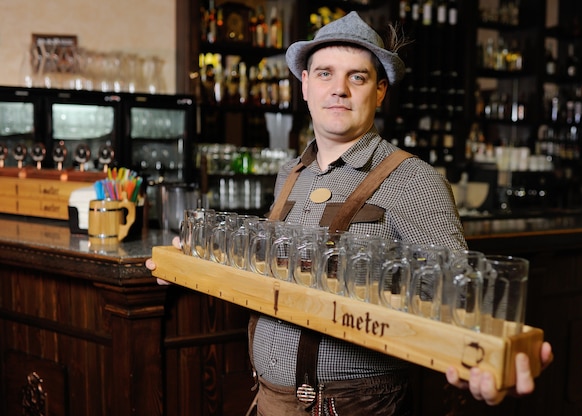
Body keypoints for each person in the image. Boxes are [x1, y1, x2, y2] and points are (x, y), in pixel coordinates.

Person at [147, 11, 553, 415]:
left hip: (351, 407)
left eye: (356, 77)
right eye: (324, 73)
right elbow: (270, 265)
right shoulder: (292, 173)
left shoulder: (413, 180)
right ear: (304, 85)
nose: (338, 89)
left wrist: (486, 359)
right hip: (268, 399)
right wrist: (197, 257)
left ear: (379, 92)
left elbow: (463, 292)